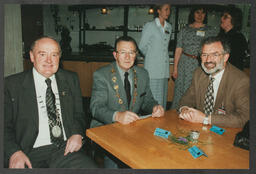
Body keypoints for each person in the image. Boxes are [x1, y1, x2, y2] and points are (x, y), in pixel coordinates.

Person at [4, 36, 97, 168]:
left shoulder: (71, 79)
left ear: (59, 57)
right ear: (32, 57)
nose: (49, 60)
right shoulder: (11, 85)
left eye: (54, 54)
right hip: (27, 151)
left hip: (65, 150)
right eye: (42, 54)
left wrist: (77, 133)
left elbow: (79, 114)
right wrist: (14, 152)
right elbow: (4, 126)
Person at [90, 36, 164, 168]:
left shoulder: (143, 74)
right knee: (115, 158)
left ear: (136, 55)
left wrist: (155, 107)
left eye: (132, 52)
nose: (128, 57)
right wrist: (117, 116)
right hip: (107, 127)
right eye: (123, 52)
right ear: (115, 55)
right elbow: (96, 108)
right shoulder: (102, 75)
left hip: (133, 127)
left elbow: (147, 100)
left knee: (154, 152)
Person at [178, 36, 249, 128]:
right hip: (200, 129)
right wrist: (185, 110)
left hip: (227, 132)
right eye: (204, 55)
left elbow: (245, 118)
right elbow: (186, 99)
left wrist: (206, 118)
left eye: (214, 55)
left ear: (225, 57)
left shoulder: (240, 81)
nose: (208, 60)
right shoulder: (198, 73)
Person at [171, 5, 217, 109]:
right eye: (197, 12)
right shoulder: (185, 29)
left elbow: (215, 50)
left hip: (201, 65)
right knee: (181, 90)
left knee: (199, 90)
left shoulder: (210, 30)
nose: (200, 15)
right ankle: (176, 113)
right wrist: (175, 68)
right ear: (193, 14)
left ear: (205, 15)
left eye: (202, 13)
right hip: (184, 63)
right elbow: (178, 49)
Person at [139, 4, 172, 110]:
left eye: (169, 10)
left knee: (162, 100)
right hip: (152, 69)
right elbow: (142, 46)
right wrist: (152, 56)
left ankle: (160, 124)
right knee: (153, 101)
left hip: (164, 70)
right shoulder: (150, 26)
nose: (168, 12)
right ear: (158, 10)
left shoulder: (169, 27)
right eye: (166, 9)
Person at [218, 5, 248, 71]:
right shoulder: (220, 36)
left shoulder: (238, 38)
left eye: (225, 17)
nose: (221, 19)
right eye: (222, 16)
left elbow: (237, 62)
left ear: (234, 20)